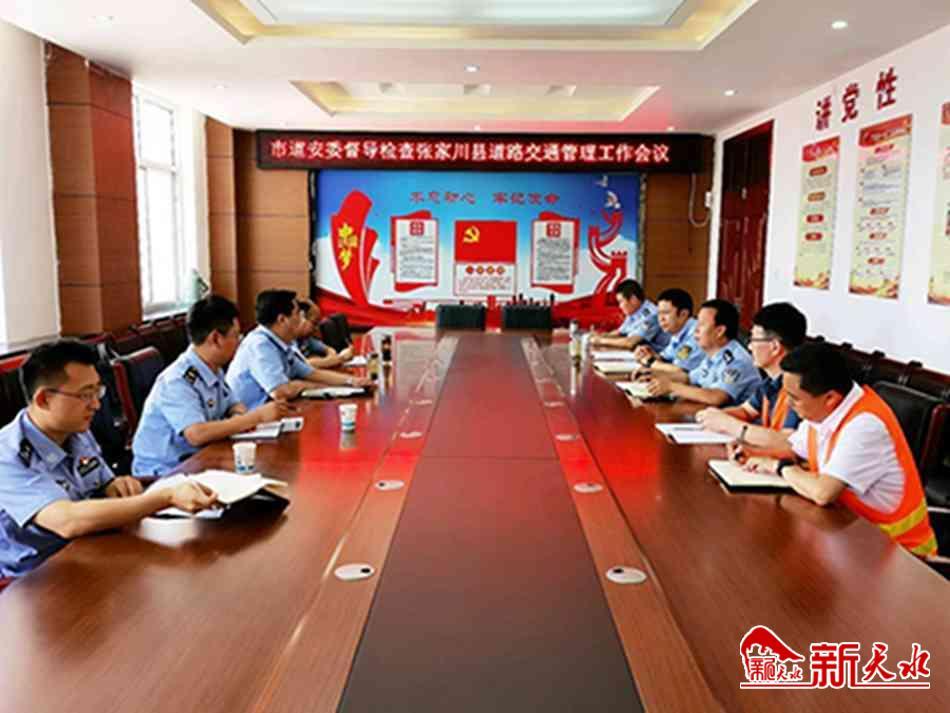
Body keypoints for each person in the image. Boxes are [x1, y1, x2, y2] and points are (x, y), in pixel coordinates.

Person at [0, 340, 218, 578]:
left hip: (92, 550)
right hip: (36, 577)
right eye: (85, 394)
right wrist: (166, 497)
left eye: (98, 391)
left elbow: (103, 483)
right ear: (43, 399)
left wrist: (116, 485)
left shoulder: (76, 430)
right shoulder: (7, 455)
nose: (96, 404)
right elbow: (67, 521)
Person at [741, 344, 937, 558]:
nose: (788, 403)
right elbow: (794, 446)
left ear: (830, 398)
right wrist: (753, 451)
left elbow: (823, 493)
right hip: (851, 538)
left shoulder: (865, 425)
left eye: (794, 398)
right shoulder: (824, 410)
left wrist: (780, 467)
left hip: (899, 556)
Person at [132, 295, 293, 476]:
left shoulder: (212, 368)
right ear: (216, 338)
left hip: (201, 459)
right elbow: (196, 434)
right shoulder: (176, 380)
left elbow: (233, 403)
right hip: (167, 471)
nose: (239, 341)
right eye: (235, 335)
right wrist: (256, 417)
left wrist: (238, 415)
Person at [226, 289, 370, 409]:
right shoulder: (260, 345)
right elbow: (281, 391)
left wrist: (353, 381)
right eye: (297, 314)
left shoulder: (282, 342)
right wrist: (308, 386)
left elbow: (310, 372)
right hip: (250, 418)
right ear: (282, 319)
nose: (301, 319)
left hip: (272, 411)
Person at [696, 302, 807, 454]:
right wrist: (715, 416)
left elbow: (788, 441)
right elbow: (746, 411)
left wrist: (729, 425)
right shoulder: (770, 382)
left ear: (775, 347)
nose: (749, 347)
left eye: (754, 340)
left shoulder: (798, 387)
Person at [643, 299, 761, 406]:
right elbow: (689, 378)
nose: (696, 329)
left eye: (701, 324)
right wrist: (654, 375)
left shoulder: (737, 361)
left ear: (720, 331)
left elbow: (716, 397)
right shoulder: (713, 354)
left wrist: (671, 386)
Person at [631, 288, 704, 377]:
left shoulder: (696, 334)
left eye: (665, 313)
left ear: (683, 314)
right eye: (659, 313)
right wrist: (649, 354)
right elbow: (667, 358)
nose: (661, 319)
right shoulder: (678, 332)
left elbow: (680, 371)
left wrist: (650, 361)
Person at [589, 279, 670, 352]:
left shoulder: (651, 315)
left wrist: (600, 341)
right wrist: (600, 336)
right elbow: (620, 333)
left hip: (660, 358)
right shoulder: (634, 312)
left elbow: (630, 342)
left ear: (633, 299)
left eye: (621, 302)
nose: (620, 306)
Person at [295, 300, 354, 369]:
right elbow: (304, 364)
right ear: (301, 319)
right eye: (314, 323)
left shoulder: (307, 339)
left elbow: (329, 349)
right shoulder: (290, 341)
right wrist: (341, 358)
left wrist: (330, 359)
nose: (317, 328)